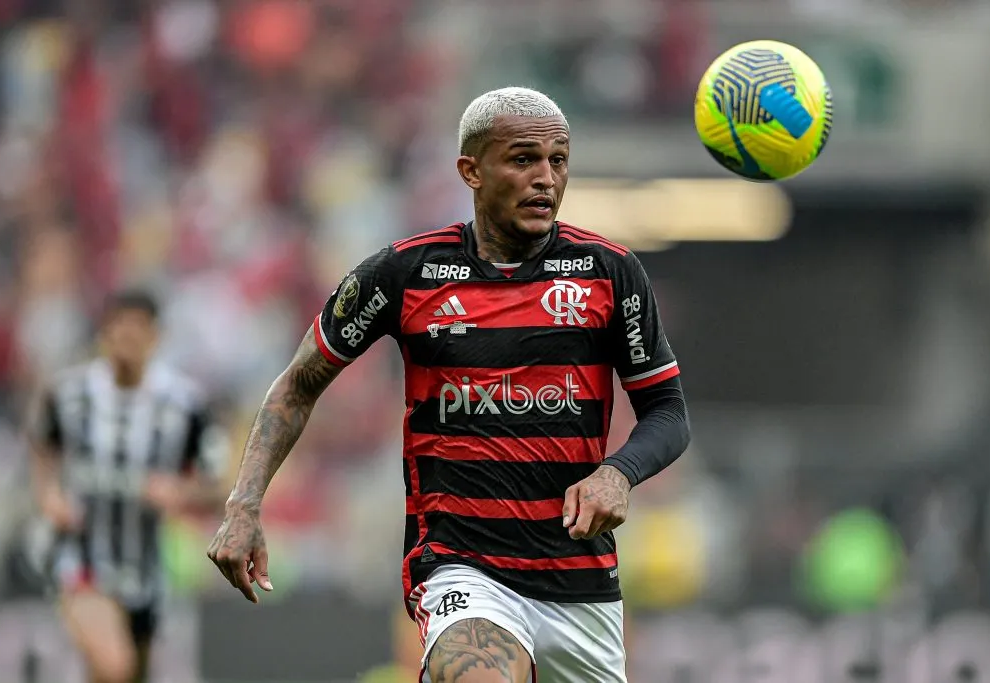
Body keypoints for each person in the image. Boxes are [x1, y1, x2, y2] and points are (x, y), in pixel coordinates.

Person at [207, 86, 691, 683]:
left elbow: (667, 412)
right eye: (522, 160)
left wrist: (618, 473)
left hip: (581, 586)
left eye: (557, 160)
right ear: (471, 171)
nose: (545, 178)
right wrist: (245, 503)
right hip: (464, 571)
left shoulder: (610, 274)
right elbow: (298, 384)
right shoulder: (406, 273)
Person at [27, 290, 229, 683]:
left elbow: (219, 484)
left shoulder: (185, 405)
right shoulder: (69, 395)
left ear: (156, 336)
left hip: (146, 570)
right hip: (80, 559)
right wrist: (49, 494)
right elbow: (42, 446)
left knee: (124, 674)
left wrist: (180, 492)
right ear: (104, 331)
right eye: (120, 325)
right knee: (113, 664)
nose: (128, 337)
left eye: (139, 328)